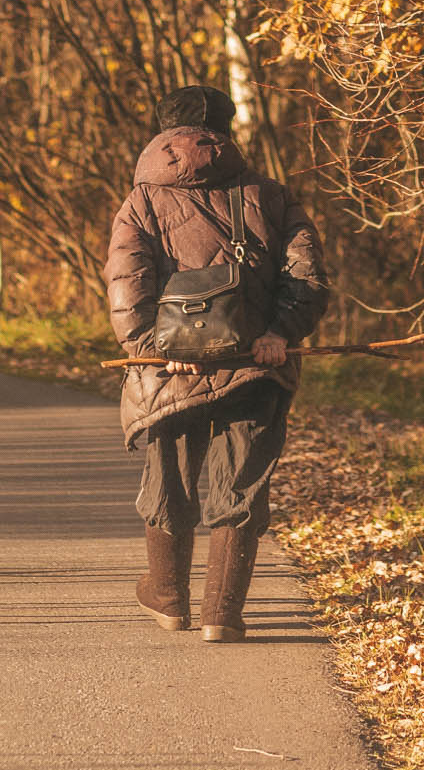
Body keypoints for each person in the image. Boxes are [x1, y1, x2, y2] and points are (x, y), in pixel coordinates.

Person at [104, 81, 329, 643]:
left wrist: (156, 350)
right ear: (227, 132)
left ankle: (168, 599)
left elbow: (127, 283)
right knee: (242, 486)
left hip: (172, 372)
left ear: (164, 134)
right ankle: (222, 615)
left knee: (169, 480)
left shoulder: (141, 199)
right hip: (256, 365)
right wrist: (279, 333)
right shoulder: (271, 195)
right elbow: (306, 275)